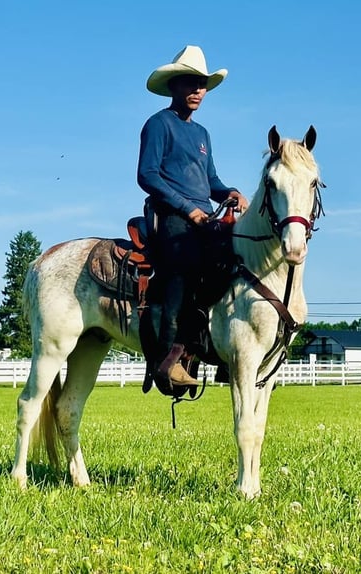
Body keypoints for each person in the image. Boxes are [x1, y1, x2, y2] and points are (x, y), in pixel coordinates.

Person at [137, 45, 249, 388]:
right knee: (183, 273)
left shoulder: (202, 135)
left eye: (201, 85)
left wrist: (230, 192)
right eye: (190, 83)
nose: (197, 91)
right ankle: (167, 361)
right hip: (171, 217)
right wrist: (188, 209)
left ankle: (223, 351)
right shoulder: (159, 125)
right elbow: (147, 175)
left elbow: (210, 181)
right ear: (174, 87)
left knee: (236, 263)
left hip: (203, 219)